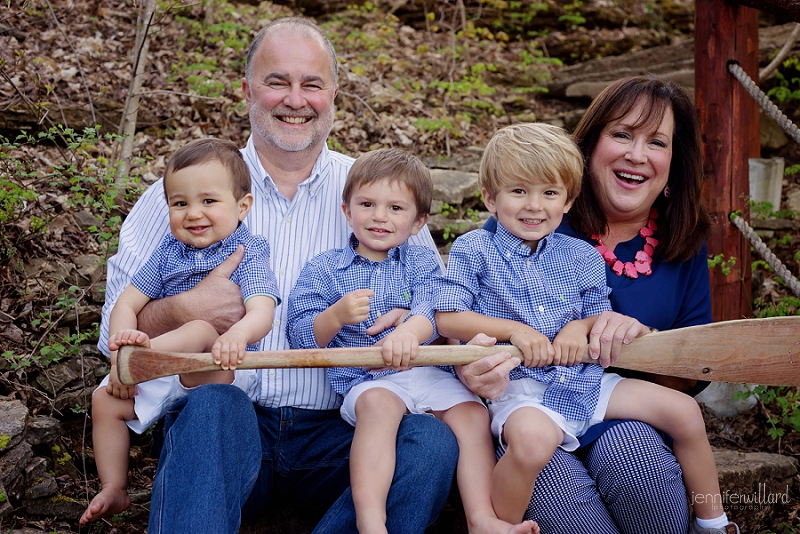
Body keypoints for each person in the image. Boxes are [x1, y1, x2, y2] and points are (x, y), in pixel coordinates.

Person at [98, 17, 459, 534]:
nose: (296, 99)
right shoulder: (183, 196)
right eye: (277, 82)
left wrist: (423, 322)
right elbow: (114, 339)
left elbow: (440, 310)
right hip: (225, 423)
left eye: (312, 84)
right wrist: (183, 309)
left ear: (334, 93)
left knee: (430, 442)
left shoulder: (380, 195)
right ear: (246, 90)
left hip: (348, 428)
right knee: (214, 406)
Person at [435, 122, 737, 534]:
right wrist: (514, 331)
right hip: (522, 392)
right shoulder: (476, 248)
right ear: (490, 197)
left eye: (549, 193)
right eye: (519, 191)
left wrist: (580, 327)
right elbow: (449, 318)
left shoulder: (581, 255)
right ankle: (495, 525)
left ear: (568, 201)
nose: (534, 206)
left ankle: (713, 523)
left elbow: (597, 313)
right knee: (532, 442)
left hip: (584, 383)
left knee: (683, 412)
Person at [287, 148, 539, 534]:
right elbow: (300, 333)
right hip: (370, 380)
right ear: (346, 209)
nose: (379, 217)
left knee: (472, 416)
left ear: (420, 221)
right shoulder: (324, 269)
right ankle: (371, 520)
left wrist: (407, 332)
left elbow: (433, 309)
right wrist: (334, 316)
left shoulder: (421, 263)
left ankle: (482, 519)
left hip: (429, 373)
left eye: (396, 208)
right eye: (367, 204)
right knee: (378, 408)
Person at [81, 138, 278, 525]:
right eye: (180, 203)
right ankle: (114, 487)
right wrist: (121, 352)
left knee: (202, 327)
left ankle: (143, 357)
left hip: (218, 368)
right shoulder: (168, 251)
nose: (193, 213)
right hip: (167, 369)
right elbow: (127, 303)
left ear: (243, 206)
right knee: (105, 400)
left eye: (209, 201)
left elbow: (263, 309)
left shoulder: (248, 250)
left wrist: (237, 334)